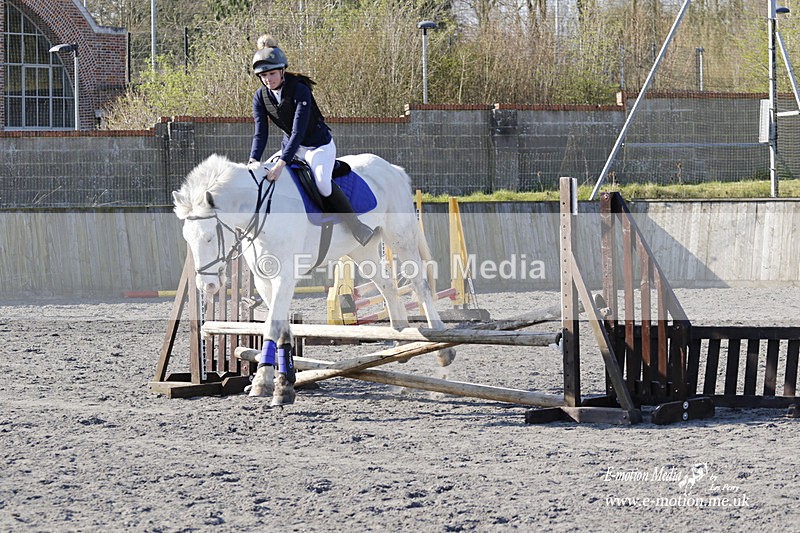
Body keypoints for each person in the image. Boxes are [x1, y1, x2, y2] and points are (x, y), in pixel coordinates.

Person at [248, 35, 376, 246]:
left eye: (272, 73)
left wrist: (281, 164)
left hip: (318, 146)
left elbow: (299, 131)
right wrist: (253, 159)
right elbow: (260, 133)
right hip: (291, 148)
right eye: (263, 76)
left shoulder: (300, 89)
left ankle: (357, 227)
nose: (268, 79)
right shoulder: (260, 97)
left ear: (282, 71)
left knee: (323, 184)